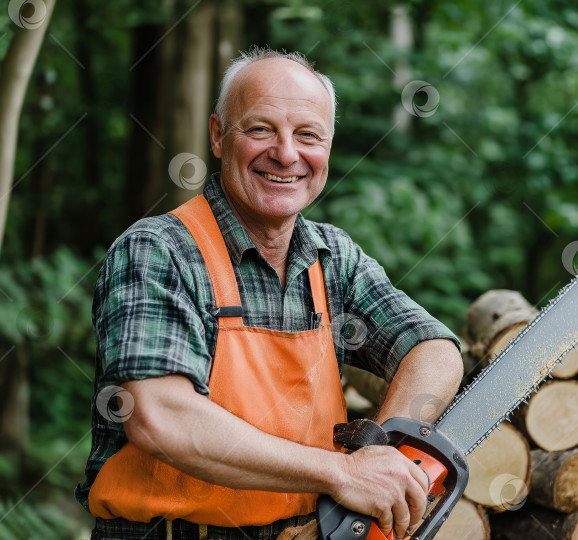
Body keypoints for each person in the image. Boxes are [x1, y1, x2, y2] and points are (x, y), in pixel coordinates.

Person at [76, 48, 464, 540]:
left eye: (308, 135)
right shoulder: (159, 251)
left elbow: (433, 348)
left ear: (328, 147)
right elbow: (158, 416)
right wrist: (341, 473)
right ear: (218, 136)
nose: (286, 153)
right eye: (260, 129)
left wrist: (379, 449)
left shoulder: (332, 258)